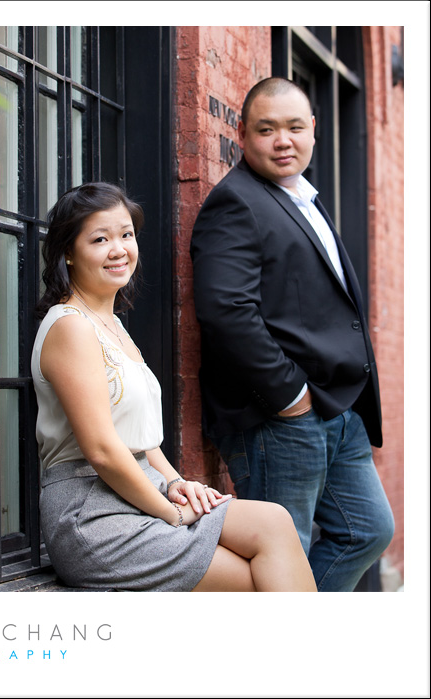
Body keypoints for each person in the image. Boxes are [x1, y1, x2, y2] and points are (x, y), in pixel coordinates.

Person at [34, 182, 315, 591]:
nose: (119, 249)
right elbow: (102, 450)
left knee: (274, 521)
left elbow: (141, 441)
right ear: (68, 254)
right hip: (92, 514)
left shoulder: (112, 327)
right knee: (257, 581)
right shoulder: (70, 327)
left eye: (126, 235)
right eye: (100, 239)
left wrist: (176, 482)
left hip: (141, 488)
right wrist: (172, 513)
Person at [190, 77, 394, 591]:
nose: (283, 140)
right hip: (280, 417)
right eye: (267, 129)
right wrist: (290, 396)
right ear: (242, 134)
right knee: (287, 550)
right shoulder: (235, 202)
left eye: (294, 127)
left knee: (367, 530)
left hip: (336, 409)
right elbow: (226, 311)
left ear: (313, 131)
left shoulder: (302, 196)